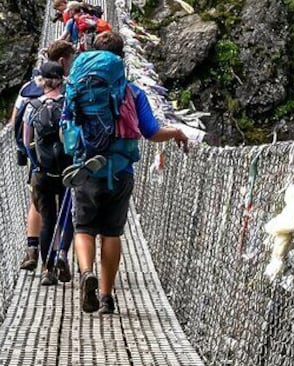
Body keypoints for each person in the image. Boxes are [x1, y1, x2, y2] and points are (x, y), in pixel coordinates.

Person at [68, 31, 188, 315]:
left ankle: (86, 274)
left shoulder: (78, 86)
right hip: (120, 171)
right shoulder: (133, 92)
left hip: (86, 168)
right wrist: (176, 132)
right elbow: (151, 132)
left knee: (83, 228)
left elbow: (68, 126)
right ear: (122, 59)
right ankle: (107, 297)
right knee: (112, 232)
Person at [10, 40, 76, 271]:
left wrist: (27, 154)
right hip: (67, 163)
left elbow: (16, 121)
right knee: (67, 208)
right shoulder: (70, 93)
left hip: (41, 161)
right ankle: (61, 254)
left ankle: (34, 250)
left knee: (39, 206)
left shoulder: (28, 89)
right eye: (71, 60)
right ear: (61, 62)